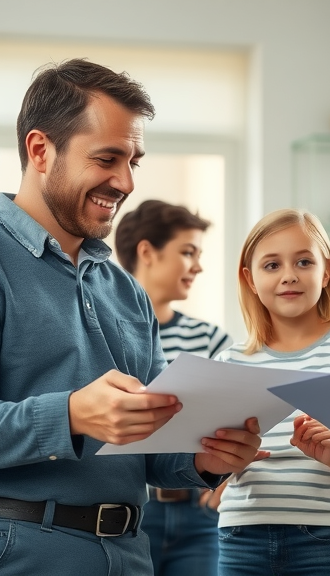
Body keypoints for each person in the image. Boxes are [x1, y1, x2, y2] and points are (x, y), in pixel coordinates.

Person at [0, 59, 263, 576]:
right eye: (107, 158)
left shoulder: (125, 290)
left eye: (134, 160)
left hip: (128, 554)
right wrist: (70, 414)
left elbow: (153, 445)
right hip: (13, 552)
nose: (125, 181)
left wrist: (206, 460)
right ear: (40, 150)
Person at [214, 208, 330, 576]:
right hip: (240, 536)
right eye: (271, 265)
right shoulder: (227, 362)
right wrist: (226, 462)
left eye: (303, 261)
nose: (289, 276)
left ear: (326, 271)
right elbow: (208, 472)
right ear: (249, 279)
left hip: (326, 539)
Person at [114, 199, 233, 576]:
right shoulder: (101, 336)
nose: (198, 266)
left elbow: (239, 419)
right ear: (147, 251)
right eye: (188, 252)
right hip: (127, 513)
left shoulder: (212, 340)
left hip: (198, 516)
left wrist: (228, 480)